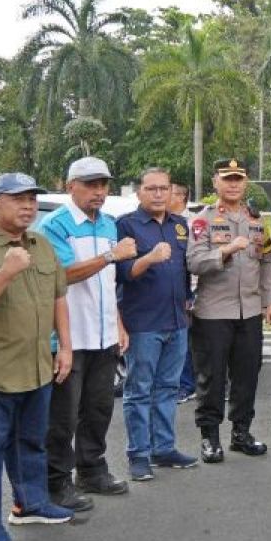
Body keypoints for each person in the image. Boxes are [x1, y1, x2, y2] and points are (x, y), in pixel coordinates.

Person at [0, 174, 75, 541]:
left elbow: (58, 298)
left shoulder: (41, 242)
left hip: (37, 365)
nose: (29, 206)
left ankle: (30, 503)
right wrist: (6, 271)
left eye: (32, 199)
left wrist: (65, 346)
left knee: (31, 442)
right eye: (18, 199)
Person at [38, 157, 134, 509]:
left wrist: (119, 324)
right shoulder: (55, 225)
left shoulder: (108, 224)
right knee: (62, 418)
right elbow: (62, 276)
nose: (99, 192)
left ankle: (92, 470)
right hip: (69, 338)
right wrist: (111, 255)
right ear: (70, 187)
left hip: (104, 335)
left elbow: (107, 285)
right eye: (91, 184)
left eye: (103, 185)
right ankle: (56, 483)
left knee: (99, 408)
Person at [186, 159, 271, 463]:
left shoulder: (256, 221)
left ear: (246, 182)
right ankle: (210, 438)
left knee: (247, 375)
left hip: (249, 311)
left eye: (238, 178)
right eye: (227, 178)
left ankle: (241, 433)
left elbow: (267, 263)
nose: (233, 184)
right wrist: (225, 250)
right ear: (215, 182)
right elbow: (195, 262)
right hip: (214, 311)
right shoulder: (203, 220)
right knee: (212, 378)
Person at [115, 168, 198, 481]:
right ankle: (139, 454)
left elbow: (185, 268)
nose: (159, 194)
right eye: (152, 189)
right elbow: (124, 273)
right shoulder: (127, 224)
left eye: (164, 188)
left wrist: (188, 299)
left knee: (167, 389)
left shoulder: (180, 226)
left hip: (177, 320)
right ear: (139, 192)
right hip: (143, 322)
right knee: (139, 391)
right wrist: (149, 258)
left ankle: (164, 448)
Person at [169, 181, 198, 403]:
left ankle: (188, 385)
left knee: (195, 342)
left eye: (170, 192)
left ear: (181, 197)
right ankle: (184, 384)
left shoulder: (191, 223)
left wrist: (190, 292)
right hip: (177, 290)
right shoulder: (168, 223)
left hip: (195, 288)